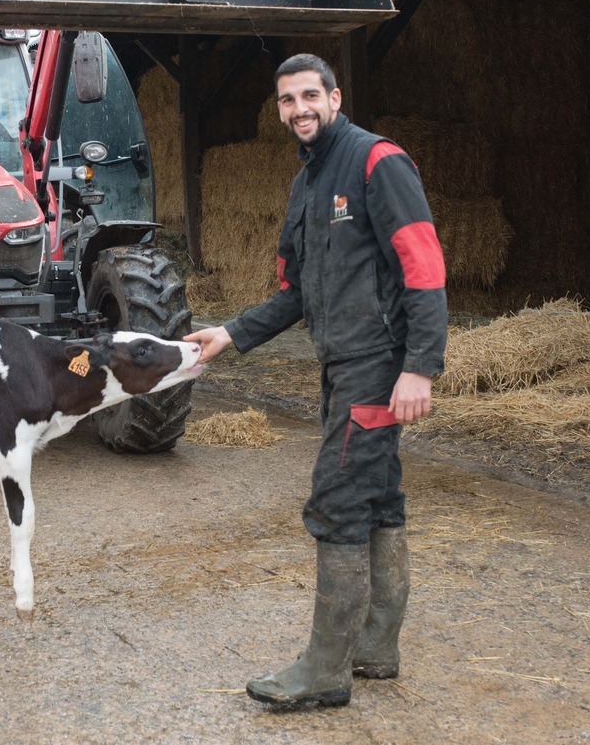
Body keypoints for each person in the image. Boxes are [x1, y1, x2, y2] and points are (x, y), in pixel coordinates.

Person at [184, 53, 447, 709]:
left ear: (333, 97)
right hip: (340, 364)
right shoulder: (306, 185)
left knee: (336, 498)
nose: (299, 109)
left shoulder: (375, 161)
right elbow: (295, 291)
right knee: (378, 497)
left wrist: (419, 366)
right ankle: (375, 646)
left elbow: (424, 264)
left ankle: (326, 671)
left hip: (376, 365)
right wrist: (232, 333)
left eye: (309, 95)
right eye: (286, 100)